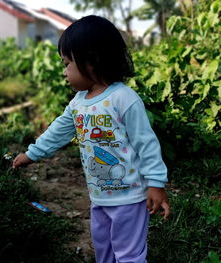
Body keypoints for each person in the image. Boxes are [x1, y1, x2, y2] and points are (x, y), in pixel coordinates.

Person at [13, 15, 170, 263]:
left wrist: (156, 183)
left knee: (128, 252)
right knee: (102, 245)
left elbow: (146, 143)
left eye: (67, 64)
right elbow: (58, 130)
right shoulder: (78, 103)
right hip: (99, 196)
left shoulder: (123, 98)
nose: (64, 72)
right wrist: (32, 153)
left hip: (130, 196)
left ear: (92, 61)